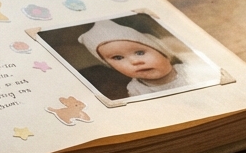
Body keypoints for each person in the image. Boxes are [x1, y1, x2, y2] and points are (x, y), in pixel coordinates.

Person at [77, 20, 220, 98]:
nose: (135, 61)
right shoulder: (135, 89)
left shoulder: (186, 70)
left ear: (162, 52)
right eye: (118, 58)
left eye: (140, 53)